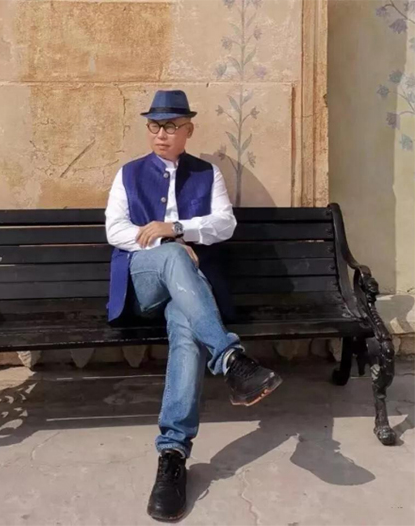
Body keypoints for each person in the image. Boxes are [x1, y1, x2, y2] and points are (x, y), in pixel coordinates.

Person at [105, 90, 282, 522]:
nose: (160, 135)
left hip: (191, 294)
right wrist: (168, 245)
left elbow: (224, 224)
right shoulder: (128, 174)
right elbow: (115, 230)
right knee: (172, 257)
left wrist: (177, 227)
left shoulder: (208, 174)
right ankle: (231, 358)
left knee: (186, 330)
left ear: (189, 130)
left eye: (170, 127)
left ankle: (172, 455)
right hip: (144, 284)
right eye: (154, 126)